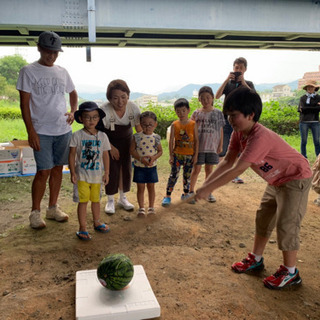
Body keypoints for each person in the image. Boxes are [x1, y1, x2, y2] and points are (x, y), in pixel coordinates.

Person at [195, 87, 312, 290]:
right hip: (276, 181)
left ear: (250, 115)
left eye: (234, 115)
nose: (230, 120)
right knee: (263, 217)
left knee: (286, 225)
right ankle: (256, 259)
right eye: (228, 115)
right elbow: (227, 162)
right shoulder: (239, 134)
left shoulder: (259, 136)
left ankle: (291, 272)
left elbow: (239, 168)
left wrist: (208, 190)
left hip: (295, 178)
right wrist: (206, 186)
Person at [16, 31, 78, 229]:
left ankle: (53, 208)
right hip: (41, 130)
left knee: (59, 168)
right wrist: (31, 131)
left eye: (55, 52)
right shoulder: (28, 71)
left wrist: (73, 111)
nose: (51, 56)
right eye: (48, 51)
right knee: (43, 171)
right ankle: (35, 212)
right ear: (39, 48)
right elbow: (24, 105)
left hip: (62, 129)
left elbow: (73, 93)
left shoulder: (62, 71)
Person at [69, 101, 111, 240]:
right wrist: (72, 172)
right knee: (83, 201)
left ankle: (97, 222)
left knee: (96, 200)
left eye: (95, 117)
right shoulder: (77, 135)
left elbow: (106, 155)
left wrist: (107, 173)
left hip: (97, 176)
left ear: (99, 118)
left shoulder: (103, 136)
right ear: (81, 118)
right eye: (87, 117)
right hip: (82, 176)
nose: (91, 120)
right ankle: (82, 227)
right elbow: (72, 154)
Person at [99, 79, 142, 215]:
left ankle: (123, 198)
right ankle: (110, 199)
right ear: (109, 98)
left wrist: (143, 146)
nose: (120, 101)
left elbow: (138, 128)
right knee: (111, 169)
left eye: (123, 97)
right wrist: (110, 147)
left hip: (127, 140)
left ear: (128, 96)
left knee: (125, 168)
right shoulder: (104, 110)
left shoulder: (133, 108)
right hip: (108, 141)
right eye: (115, 98)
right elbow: (99, 133)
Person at [216, 57, 255, 184]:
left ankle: (234, 175)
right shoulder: (229, 84)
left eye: (240, 68)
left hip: (241, 121)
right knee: (223, 146)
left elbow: (253, 97)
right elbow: (216, 96)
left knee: (239, 148)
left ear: (245, 69)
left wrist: (243, 82)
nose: (238, 70)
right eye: (236, 67)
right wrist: (227, 79)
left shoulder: (248, 84)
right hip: (226, 118)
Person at [188, 86, 224, 203]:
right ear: (199, 99)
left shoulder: (218, 113)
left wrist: (220, 145)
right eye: (202, 98)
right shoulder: (196, 113)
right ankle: (190, 192)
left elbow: (220, 130)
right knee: (196, 170)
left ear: (212, 98)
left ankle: (208, 192)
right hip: (199, 147)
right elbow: (190, 128)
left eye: (208, 98)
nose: (206, 100)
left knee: (209, 170)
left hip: (212, 146)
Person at [161, 98, 198, 207]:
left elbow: (196, 141)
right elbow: (171, 141)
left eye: (183, 110)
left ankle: (186, 194)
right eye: (178, 111)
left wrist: (196, 155)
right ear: (175, 112)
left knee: (187, 176)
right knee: (173, 175)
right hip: (177, 155)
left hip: (189, 156)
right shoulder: (174, 125)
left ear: (188, 110)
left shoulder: (193, 124)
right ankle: (167, 196)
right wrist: (171, 155)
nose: (181, 113)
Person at [130, 111, 163, 216]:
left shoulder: (156, 137)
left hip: (151, 167)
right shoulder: (137, 137)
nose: (147, 127)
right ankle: (141, 208)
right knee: (140, 187)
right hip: (139, 167)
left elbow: (160, 151)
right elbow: (132, 150)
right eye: (144, 124)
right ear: (140, 124)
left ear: (155, 125)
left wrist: (153, 158)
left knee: (151, 187)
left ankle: (151, 207)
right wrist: (140, 159)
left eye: (150, 124)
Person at [298, 80, 320, 159]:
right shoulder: (302, 98)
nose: (310, 88)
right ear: (306, 88)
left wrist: (307, 108)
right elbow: (301, 110)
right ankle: (303, 157)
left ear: (315, 88)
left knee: (317, 141)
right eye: (309, 87)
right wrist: (315, 107)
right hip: (304, 122)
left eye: (312, 87)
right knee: (304, 141)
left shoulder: (318, 97)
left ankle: (318, 157)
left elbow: (318, 109)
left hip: (315, 122)